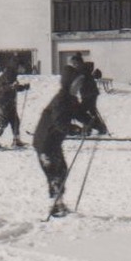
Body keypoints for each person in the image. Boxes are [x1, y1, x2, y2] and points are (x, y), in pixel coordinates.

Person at [33, 81, 93, 217]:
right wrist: (77, 129)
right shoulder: (60, 100)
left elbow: (79, 113)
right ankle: (55, 206)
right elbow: (59, 122)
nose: (78, 87)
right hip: (44, 142)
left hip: (53, 142)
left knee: (61, 171)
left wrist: (92, 122)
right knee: (54, 173)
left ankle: (59, 204)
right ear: (69, 84)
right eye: (76, 84)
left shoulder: (70, 99)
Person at [0, 63, 30, 149]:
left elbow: (14, 87)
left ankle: (16, 140)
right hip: (4, 102)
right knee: (3, 121)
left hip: (9, 102)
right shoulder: (7, 75)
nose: (22, 68)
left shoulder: (12, 74)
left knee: (15, 121)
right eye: (21, 66)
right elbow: (5, 87)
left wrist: (23, 87)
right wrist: (12, 86)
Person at [80, 61, 109, 136]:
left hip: (88, 96)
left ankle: (89, 129)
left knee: (83, 112)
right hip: (90, 95)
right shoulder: (86, 74)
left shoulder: (85, 74)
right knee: (91, 112)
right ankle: (100, 128)